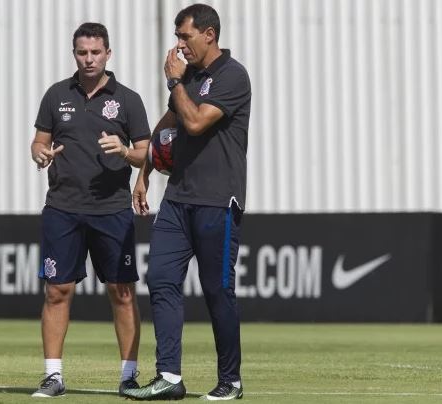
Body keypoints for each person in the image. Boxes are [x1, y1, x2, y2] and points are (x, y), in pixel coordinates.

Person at [122, 3, 251, 402]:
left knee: (217, 291)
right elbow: (170, 123)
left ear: (209, 34)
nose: (179, 45)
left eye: (185, 36)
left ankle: (230, 379)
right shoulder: (189, 76)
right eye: (177, 37)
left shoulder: (232, 76)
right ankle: (169, 376)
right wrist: (143, 174)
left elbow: (194, 120)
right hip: (177, 199)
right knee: (160, 278)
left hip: (217, 201)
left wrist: (174, 83)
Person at [29, 22, 150, 398]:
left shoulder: (127, 99)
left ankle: (128, 377)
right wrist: (40, 154)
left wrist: (127, 152)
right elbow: (38, 142)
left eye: (96, 52)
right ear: (74, 54)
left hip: (112, 209)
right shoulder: (56, 95)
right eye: (82, 52)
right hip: (63, 208)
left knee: (122, 292)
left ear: (108, 54)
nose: (89, 59)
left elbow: (148, 152)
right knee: (56, 291)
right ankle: (53, 376)